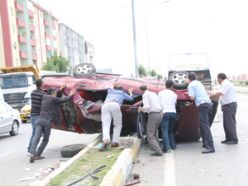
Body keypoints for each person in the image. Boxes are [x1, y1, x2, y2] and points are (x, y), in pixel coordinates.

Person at [29, 88, 75, 163]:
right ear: (53, 93)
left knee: (36, 137)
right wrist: (72, 94)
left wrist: (60, 89)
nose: (56, 94)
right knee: (45, 139)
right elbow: (64, 99)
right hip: (47, 121)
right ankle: (38, 154)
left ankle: (32, 153)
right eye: (56, 93)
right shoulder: (53, 98)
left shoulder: (44, 96)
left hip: (39, 120)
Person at [99, 84, 134, 151]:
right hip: (115, 105)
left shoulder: (110, 91)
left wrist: (114, 84)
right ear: (122, 89)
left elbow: (111, 84)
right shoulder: (123, 94)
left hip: (105, 105)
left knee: (106, 124)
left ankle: (106, 139)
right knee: (117, 125)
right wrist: (130, 92)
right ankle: (115, 142)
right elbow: (131, 99)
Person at [187, 72, 215, 154]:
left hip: (203, 105)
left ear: (189, 79)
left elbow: (192, 98)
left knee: (205, 126)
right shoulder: (199, 83)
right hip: (208, 104)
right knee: (203, 125)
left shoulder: (191, 85)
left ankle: (210, 147)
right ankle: (205, 143)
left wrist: (188, 94)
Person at [210, 73, 238, 144]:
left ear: (220, 78)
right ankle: (228, 138)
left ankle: (234, 139)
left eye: (217, 79)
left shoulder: (226, 84)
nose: (217, 80)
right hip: (227, 106)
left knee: (230, 123)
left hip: (230, 105)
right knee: (226, 123)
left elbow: (220, 93)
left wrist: (210, 96)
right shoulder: (224, 84)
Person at [139, 85, 163, 156]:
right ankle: (156, 147)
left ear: (141, 91)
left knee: (149, 134)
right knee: (155, 131)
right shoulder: (154, 94)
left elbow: (146, 106)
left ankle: (158, 151)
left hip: (153, 114)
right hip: (160, 114)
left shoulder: (145, 95)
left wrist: (141, 109)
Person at [27, 79, 46, 155]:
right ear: (41, 84)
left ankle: (30, 149)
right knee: (37, 134)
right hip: (38, 116)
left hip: (32, 115)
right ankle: (31, 150)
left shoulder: (32, 93)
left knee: (34, 133)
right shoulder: (43, 94)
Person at [158, 80, 177, 152]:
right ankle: (173, 145)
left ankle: (167, 147)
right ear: (172, 86)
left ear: (165, 85)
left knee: (164, 131)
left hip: (165, 113)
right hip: (173, 113)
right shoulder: (174, 94)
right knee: (171, 131)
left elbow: (158, 103)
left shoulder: (160, 93)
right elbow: (174, 104)